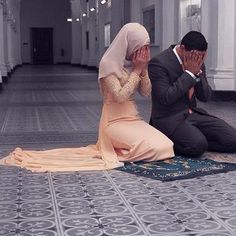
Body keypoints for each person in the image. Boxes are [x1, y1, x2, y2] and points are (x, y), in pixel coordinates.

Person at [0, 23, 174, 172]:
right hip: (113, 123)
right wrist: (137, 71)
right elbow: (120, 96)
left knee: (167, 146)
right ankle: (115, 151)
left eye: (146, 47)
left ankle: (121, 150)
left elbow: (146, 91)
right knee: (153, 148)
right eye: (141, 47)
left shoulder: (136, 64)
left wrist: (144, 69)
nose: (144, 52)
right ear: (130, 44)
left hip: (133, 119)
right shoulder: (108, 64)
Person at [148, 31, 236, 158]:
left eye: (202, 56)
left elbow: (205, 97)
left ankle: (197, 139)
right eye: (195, 55)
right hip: (169, 118)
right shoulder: (159, 63)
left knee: (232, 139)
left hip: (193, 114)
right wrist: (189, 74)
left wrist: (197, 73)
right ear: (183, 48)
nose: (198, 59)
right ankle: (169, 141)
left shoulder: (196, 61)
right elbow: (165, 98)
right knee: (197, 146)